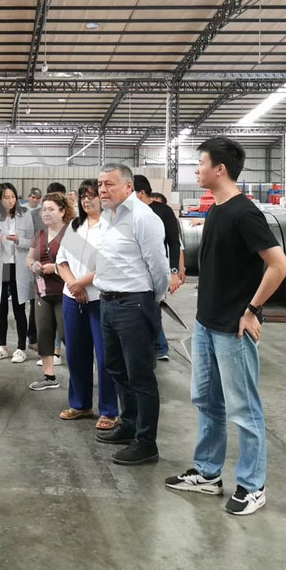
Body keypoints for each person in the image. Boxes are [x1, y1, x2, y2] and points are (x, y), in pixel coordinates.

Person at [165, 137, 286, 516]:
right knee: (207, 402)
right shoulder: (216, 209)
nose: (197, 169)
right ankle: (207, 472)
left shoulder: (244, 213)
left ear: (220, 169)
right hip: (206, 324)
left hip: (233, 329)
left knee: (243, 408)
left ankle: (253, 486)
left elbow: (280, 266)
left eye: (201, 163)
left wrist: (251, 311)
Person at [93, 163, 169, 466]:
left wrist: (152, 299)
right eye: (100, 184)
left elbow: (159, 268)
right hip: (108, 302)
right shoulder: (107, 216)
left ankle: (146, 442)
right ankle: (129, 424)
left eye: (109, 184)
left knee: (141, 375)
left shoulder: (143, 217)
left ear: (128, 186)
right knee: (116, 368)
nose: (102, 190)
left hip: (134, 304)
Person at [56, 179, 119, 430]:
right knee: (75, 354)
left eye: (91, 195)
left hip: (99, 299)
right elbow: (61, 261)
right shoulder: (75, 226)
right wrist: (73, 285)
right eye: (83, 196)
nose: (86, 200)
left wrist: (81, 284)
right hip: (72, 299)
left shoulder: (110, 227)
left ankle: (109, 411)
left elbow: (108, 263)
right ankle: (80, 404)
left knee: (105, 357)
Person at [26, 192, 72, 391]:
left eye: (51, 209)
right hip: (42, 292)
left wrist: (55, 268)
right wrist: (33, 264)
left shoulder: (71, 234)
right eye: (44, 209)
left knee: (67, 334)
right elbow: (29, 257)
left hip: (65, 292)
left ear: (62, 212)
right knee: (44, 333)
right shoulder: (41, 235)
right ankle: (49, 376)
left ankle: (81, 374)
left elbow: (81, 263)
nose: (46, 212)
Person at [0, 182, 35, 363]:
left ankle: (21, 348)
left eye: (13, 197)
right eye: (6, 197)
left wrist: (19, 240)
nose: (11, 200)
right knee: (1, 308)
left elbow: (32, 241)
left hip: (18, 266)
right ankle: (2, 346)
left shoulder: (25, 214)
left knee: (20, 308)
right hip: (0, 267)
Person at [133, 175, 182, 362]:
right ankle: (153, 348)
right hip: (135, 271)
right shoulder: (128, 212)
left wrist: (174, 272)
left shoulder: (163, 211)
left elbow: (174, 242)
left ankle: (159, 348)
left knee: (153, 307)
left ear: (141, 193)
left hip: (156, 268)